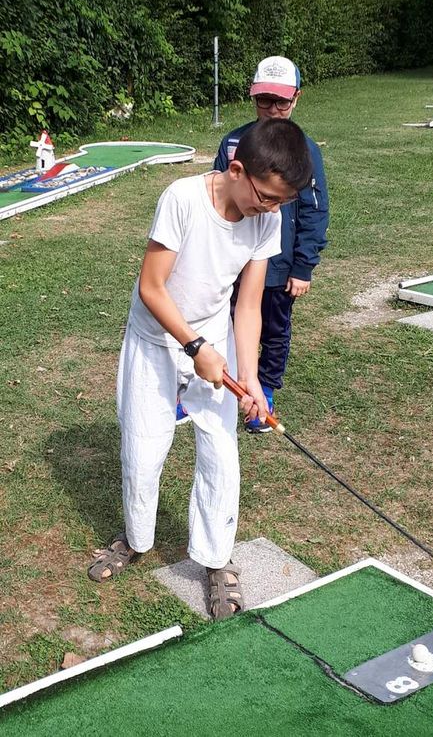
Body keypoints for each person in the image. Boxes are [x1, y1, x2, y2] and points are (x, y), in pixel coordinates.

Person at [88, 119, 313, 620]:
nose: (270, 210)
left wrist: (249, 375)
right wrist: (195, 347)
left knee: (220, 452)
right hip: (156, 341)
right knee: (144, 450)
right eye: (264, 197)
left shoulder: (267, 219)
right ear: (236, 171)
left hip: (213, 339)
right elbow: (151, 286)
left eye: (281, 202)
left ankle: (215, 559)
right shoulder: (182, 198)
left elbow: (249, 305)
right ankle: (135, 539)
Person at [207, 56, 328, 433]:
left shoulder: (305, 151)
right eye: (264, 100)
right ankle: (220, 388)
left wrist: (303, 266)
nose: (272, 110)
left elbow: (314, 210)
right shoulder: (233, 142)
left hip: (278, 266)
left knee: (274, 331)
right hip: (234, 263)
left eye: (282, 102)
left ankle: (267, 389)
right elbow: (215, 196)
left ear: (296, 99)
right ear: (253, 96)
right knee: (226, 323)